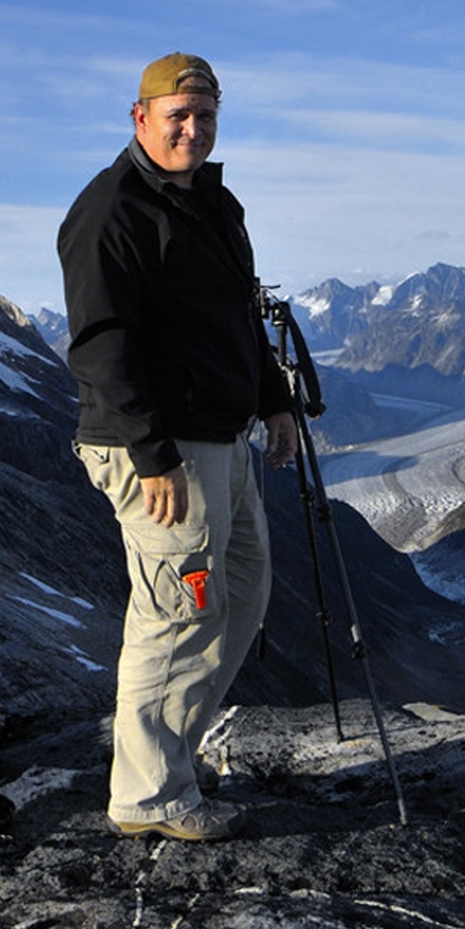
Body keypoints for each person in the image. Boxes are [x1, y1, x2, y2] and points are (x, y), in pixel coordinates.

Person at [57, 52, 298, 841]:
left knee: (243, 591)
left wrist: (276, 403)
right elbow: (100, 347)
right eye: (177, 117)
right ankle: (149, 794)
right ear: (141, 118)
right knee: (178, 610)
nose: (193, 130)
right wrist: (151, 453)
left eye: (205, 117)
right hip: (162, 452)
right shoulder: (111, 213)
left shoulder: (214, 207)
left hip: (219, 439)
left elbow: (238, 321)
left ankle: (170, 757)